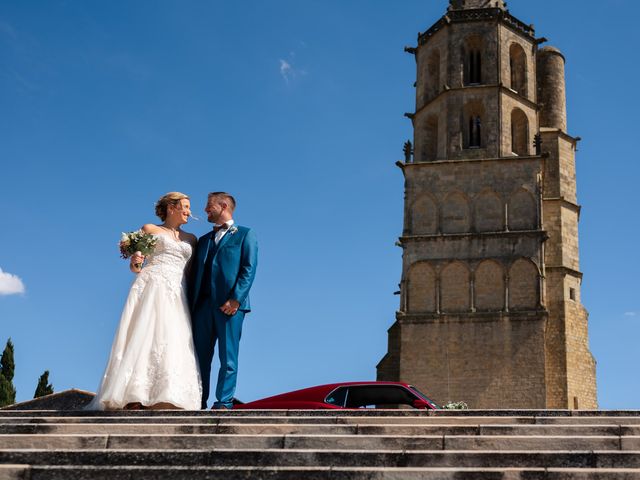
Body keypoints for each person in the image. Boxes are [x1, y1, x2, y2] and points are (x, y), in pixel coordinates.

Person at [88, 192, 202, 410]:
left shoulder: (191, 239)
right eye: (186, 207)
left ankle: (167, 394)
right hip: (151, 286)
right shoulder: (150, 229)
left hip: (178, 292)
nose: (189, 212)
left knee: (174, 338)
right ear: (171, 207)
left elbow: (190, 272)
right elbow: (136, 268)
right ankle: (134, 394)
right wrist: (135, 261)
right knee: (145, 334)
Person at [189, 192, 258, 409]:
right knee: (199, 359)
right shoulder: (202, 241)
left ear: (224, 205)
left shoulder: (245, 234)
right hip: (202, 307)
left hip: (230, 306)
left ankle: (223, 402)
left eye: (209, 206)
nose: (206, 211)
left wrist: (236, 299)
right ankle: (197, 401)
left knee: (228, 358)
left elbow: (248, 269)